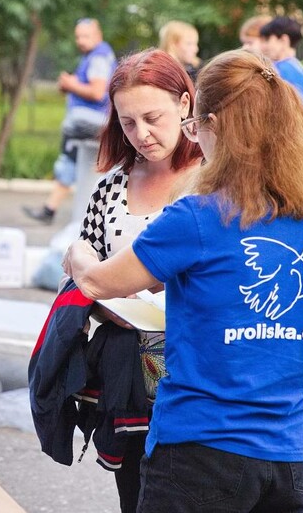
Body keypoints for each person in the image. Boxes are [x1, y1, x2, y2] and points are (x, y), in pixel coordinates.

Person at [64, 50, 303, 512]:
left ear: (214, 124)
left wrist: (79, 255)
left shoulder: (197, 217)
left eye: (195, 126)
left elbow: (98, 284)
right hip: (287, 461)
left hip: (197, 456)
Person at [76, 49, 202, 513]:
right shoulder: (112, 184)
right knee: (135, 493)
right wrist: (84, 265)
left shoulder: (212, 180)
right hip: (123, 366)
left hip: (191, 365)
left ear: (185, 105)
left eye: (153, 117)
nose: (142, 135)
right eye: (128, 123)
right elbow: (83, 259)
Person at [24, 18, 116, 224]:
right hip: (91, 122)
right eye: (78, 36)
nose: (81, 41)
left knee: (71, 132)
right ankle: (50, 209)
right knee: (71, 160)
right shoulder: (92, 55)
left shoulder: (99, 57)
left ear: (98, 36)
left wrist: (71, 84)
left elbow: (97, 91)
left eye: (86, 36)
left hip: (95, 120)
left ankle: (54, 210)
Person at [260, 16, 303, 110]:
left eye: (267, 40)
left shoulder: (279, 69)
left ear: (284, 40)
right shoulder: (298, 68)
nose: (263, 46)